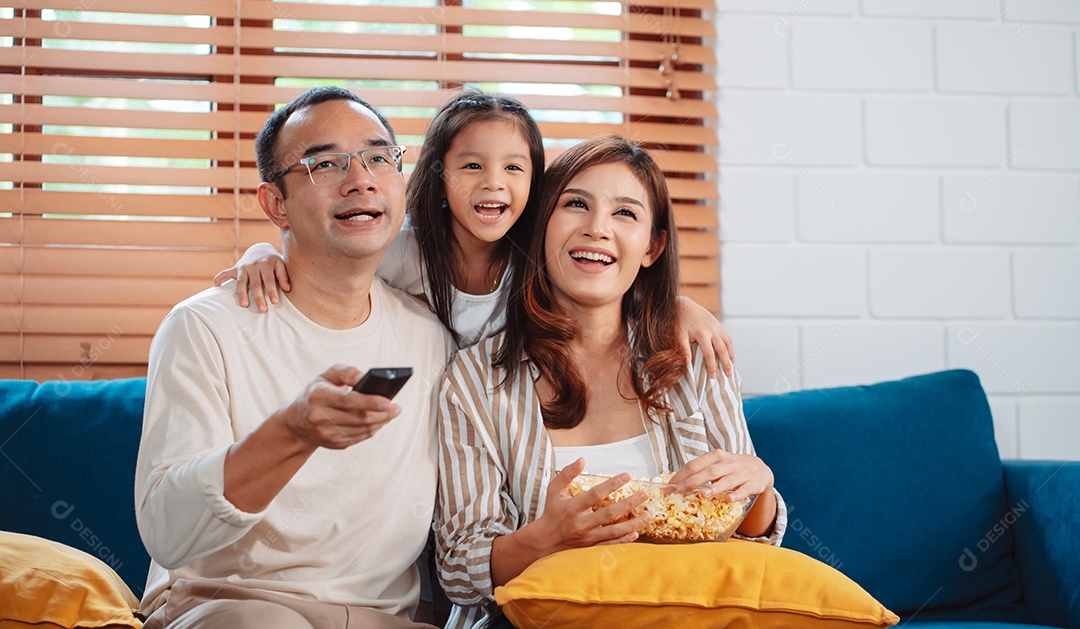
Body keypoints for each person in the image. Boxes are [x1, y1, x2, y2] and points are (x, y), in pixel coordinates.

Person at [135, 86, 454, 629]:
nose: (361, 180)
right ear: (275, 204)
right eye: (325, 164)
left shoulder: (430, 336)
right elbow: (168, 532)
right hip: (232, 605)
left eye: (379, 157)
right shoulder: (204, 327)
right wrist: (293, 432)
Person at [436, 135, 787, 629]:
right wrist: (544, 540)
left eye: (625, 213)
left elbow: (751, 542)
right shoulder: (472, 380)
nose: (597, 228)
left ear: (652, 247)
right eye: (576, 204)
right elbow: (458, 570)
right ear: (542, 225)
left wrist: (760, 488)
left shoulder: (695, 358)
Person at [214, 89, 737, 376]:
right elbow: (332, 264)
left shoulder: (539, 255)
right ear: (439, 176)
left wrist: (676, 305)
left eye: (514, 168)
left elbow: (603, 289)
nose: (493, 183)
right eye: (471, 167)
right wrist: (262, 251)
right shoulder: (405, 248)